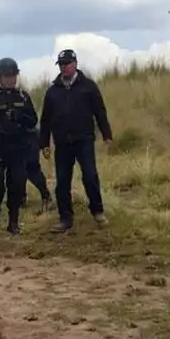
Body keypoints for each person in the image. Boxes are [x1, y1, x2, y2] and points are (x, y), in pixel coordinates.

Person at [39, 49, 113, 233]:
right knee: (62, 181)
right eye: (61, 65)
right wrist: (44, 143)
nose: (64, 68)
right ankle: (65, 218)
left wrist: (107, 135)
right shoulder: (53, 91)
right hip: (62, 142)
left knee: (90, 175)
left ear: (75, 64)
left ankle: (97, 211)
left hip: (84, 139)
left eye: (67, 64)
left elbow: (100, 112)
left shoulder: (88, 86)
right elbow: (46, 119)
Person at [0, 58, 38, 234]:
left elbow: (33, 121)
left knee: (17, 185)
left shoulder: (23, 96)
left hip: (19, 149)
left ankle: (13, 222)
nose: (10, 79)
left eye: (13, 76)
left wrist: (20, 117)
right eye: (6, 76)